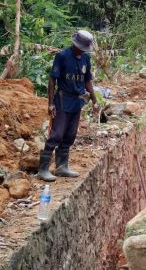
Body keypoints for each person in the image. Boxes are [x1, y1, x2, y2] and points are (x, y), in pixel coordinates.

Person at [38, 30, 98, 181]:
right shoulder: (62, 56)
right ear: (74, 44)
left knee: (70, 134)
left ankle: (61, 167)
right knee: (57, 134)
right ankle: (43, 169)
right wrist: (50, 103)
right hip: (63, 99)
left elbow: (87, 81)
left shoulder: (85, 58)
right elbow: (52, 80)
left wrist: (95, 100)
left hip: (77, 101)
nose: (81, 50)